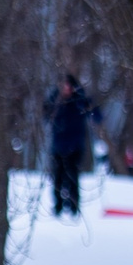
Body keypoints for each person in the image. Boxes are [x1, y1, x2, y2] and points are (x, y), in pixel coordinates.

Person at [43, 74, 101, 218]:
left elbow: (97, 117)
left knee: (73, 177)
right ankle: (58, 206)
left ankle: (74, 206)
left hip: (75, 147)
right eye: (64, 86)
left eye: (69, 86)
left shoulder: (79, 102)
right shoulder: (55, 101)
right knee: (57, 178)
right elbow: (46, 115)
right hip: (58, 147)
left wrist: (87, 103)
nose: (66, 89)